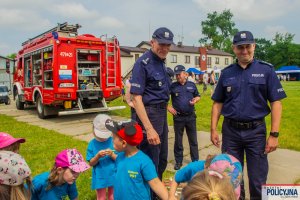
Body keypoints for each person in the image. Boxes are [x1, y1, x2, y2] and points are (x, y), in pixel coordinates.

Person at [211, 31, 287, 199]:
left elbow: (276, 103)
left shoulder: (266, 70)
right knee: (231, 178)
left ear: (254, 47)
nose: (244, 51)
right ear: (234, 49)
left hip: (256, 132)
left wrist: (274, 134)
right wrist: (213, 129)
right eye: (240, 47)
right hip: (230, 131)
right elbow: (217, 103)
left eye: (248, 46)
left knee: (258, 179)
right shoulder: (227, 73)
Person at [130, 27, 174, 182]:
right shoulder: (143, 63)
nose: (165, 48)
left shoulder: (161, 62)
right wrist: (148, 129)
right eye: (161, 44)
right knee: (150, 161)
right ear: (152, 42)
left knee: (161, 160)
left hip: (161, 115)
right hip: (148, 116)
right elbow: (136, 99)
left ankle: (156, 193)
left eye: (168, 45)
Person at [105, 118, 169, 200]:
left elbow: (156, 183)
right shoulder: (120, 157)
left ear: (124, 143)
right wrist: (111, 154)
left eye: (113, 139)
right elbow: (124, 163)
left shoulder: (144, 162)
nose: (112, 141)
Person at [167, 65, 200, 170]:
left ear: (185, 74)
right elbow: (164, 98)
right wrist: (168, 107)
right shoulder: (172, 86)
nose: (177, 77)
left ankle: (195, 161)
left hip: (190, 117)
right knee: (178, 140)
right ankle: (178, 161)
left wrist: (195, 100)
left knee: (193, 140)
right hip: (178, 117)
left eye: (179, 74)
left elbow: (198, 95)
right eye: (176, 75)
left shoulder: (192, 85)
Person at [168, 154, 242, 200]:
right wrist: (171, 196)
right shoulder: (195, 167)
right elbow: (177, 177)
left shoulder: (232, 186)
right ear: (206, 168)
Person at [86, 114, 116, 200]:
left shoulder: (114, 141)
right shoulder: (92, 144)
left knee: (113, 196)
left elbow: (119, 159)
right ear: (94, 130)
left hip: (114, 174)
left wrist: (112, 154)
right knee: (101, 197)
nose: (103, 138)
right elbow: (91, 163)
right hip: (100, 176)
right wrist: (97, 156)